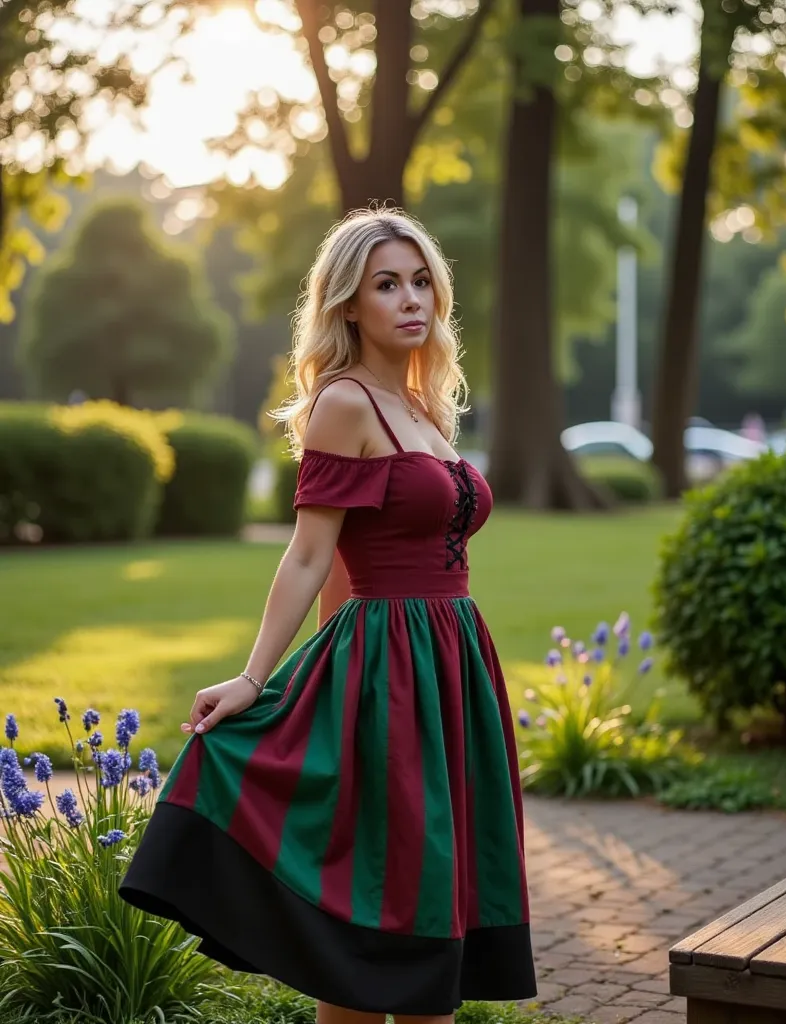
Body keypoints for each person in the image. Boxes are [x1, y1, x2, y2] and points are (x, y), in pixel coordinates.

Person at [119, 208, 537, 1022]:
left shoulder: (424, 405)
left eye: (421, 282)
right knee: (380, 928)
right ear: (349, 304)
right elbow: (311, 556)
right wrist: (260, 681)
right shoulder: (345, 404)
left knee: (417, 915)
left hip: (449, 670)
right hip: (393, 668)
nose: (410, 300)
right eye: (387, 285)